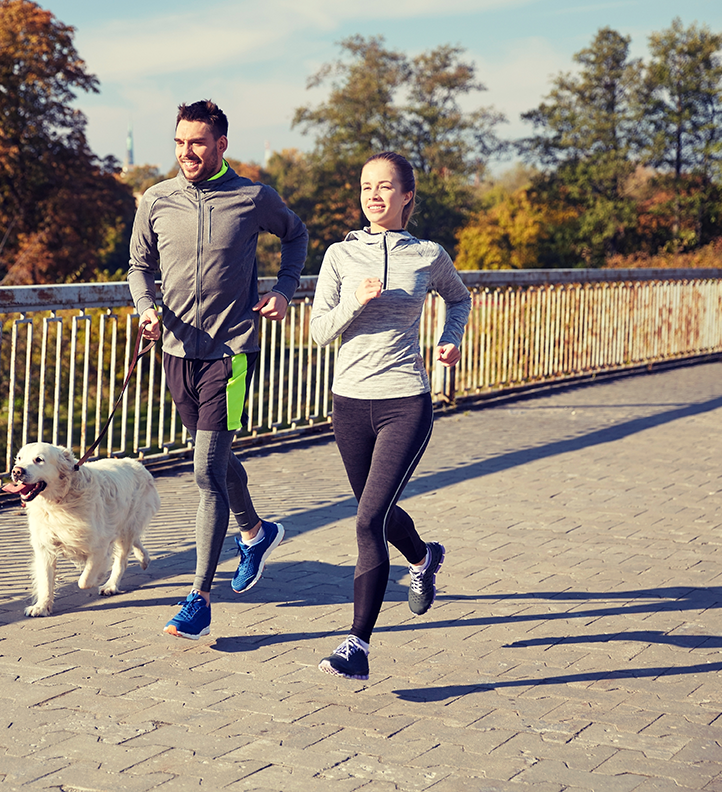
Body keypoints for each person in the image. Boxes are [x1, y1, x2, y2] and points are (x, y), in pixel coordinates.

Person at [128, 100, 308, 639]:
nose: (187, 152)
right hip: (176, 352)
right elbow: (139, 266)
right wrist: (146, 307)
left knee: (206, 472)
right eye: (180, 143)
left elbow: (296, 235)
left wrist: (283, 288)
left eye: (198, 143)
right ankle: (255, 531)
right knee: (218, 457)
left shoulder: (253, 197)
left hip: (231, 352)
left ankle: (199, 598)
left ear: (221, 144)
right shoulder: (156, 200)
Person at [308, 151, 471, 680]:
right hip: (349, 402)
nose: (373, 196)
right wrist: (355, 302)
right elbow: (317, 331)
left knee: (366, 520)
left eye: (385, 187)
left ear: (406, 196)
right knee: (375, 511)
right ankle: (423, 558)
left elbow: (459, 298)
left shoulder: (427, 254)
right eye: (365, 187)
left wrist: (449, 340)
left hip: (405, 399)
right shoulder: (339, 255)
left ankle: (357, 645)